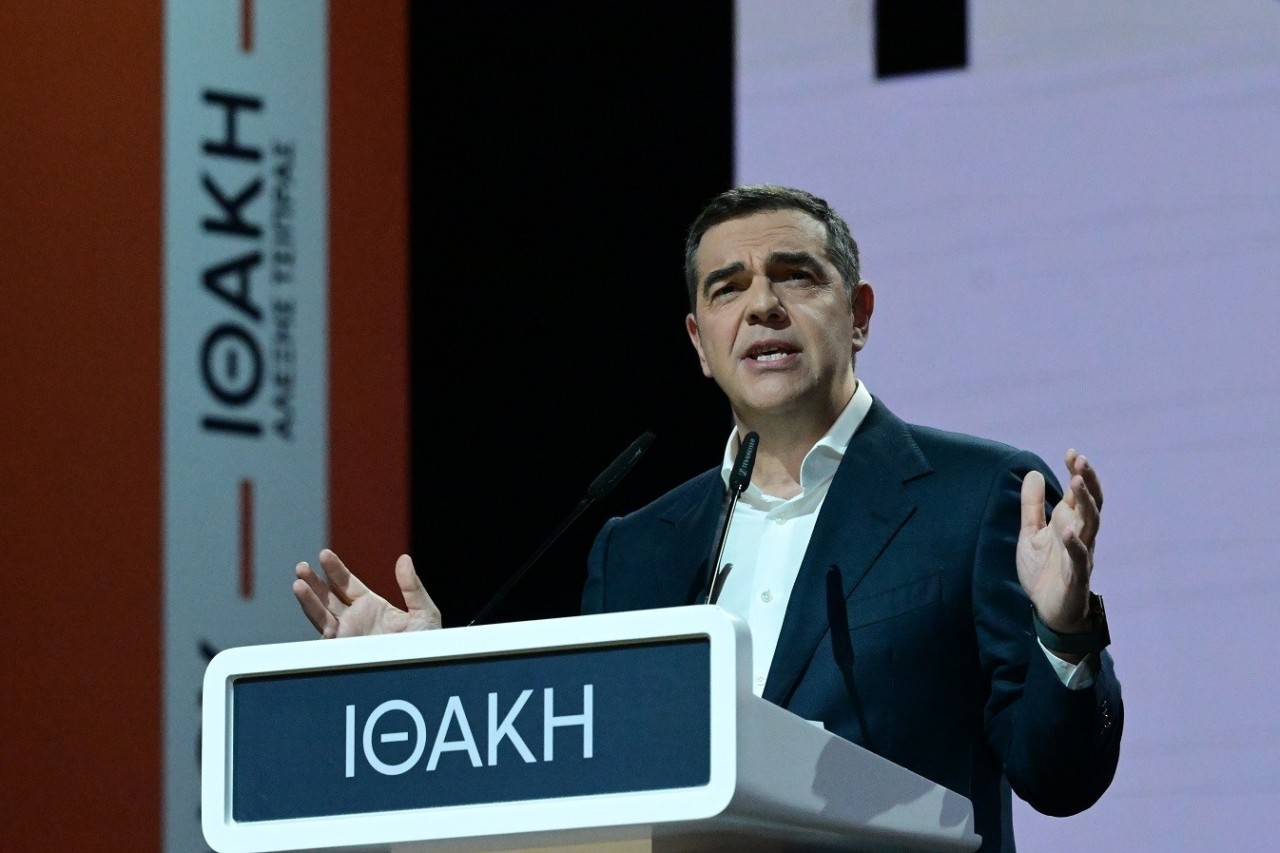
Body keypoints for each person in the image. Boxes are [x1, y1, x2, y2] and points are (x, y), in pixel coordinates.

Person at [293, 184, 1122, 852]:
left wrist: (1064, 631)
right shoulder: (636, 549)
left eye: (796, 276)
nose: (762, 305)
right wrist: (434, 688)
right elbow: (587, 775)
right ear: (699, 340)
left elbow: (1061, 777)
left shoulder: (978, 496)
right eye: (729, 287)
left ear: (860, 313)